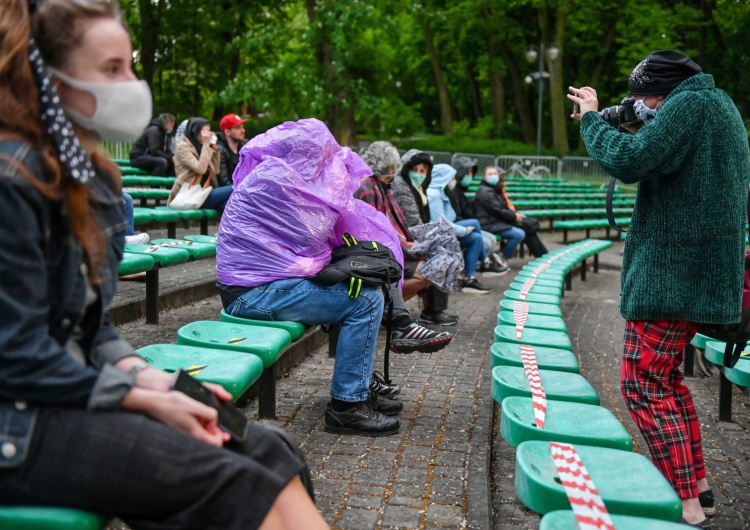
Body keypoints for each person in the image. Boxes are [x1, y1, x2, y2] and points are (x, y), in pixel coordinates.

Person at [0, 1, 329, 529]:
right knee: (236, 482)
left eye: (129, 65)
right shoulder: (12, 177)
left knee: (268, 448)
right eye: (111, 70)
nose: (131, 84)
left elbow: (91, 330)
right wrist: (139, 398)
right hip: (18, 422)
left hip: (61, 394)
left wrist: (150, 379)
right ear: (48, 78)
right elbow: (14, 355)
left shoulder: (92, 180)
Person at [568, 49, 750, 529]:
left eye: (643, 96)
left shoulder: (689, 106)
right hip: (694, 273)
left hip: (676, 275)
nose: (639, 106)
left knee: (642, 384)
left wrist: (590, 120)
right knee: (665, 381)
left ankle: (686, 505)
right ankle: (698, 488)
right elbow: (660, 153)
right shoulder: (716, 104)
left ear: (665, 91)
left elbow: (629, 160)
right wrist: (617, 116)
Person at [218, 118, 409, 436]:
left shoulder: (280, 175)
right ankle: (347, 407)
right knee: (364, 299)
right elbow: (314, 240)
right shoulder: (282, 183)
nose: (326, 162)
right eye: (322, 155)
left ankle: (357, 386)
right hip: (251, 294)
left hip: (258, 285)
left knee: (359, 283)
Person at [354, 142, 455, 349]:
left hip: (393, 247)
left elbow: (392, 225)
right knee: (433, 267)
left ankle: (394, 313)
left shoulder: (383, 185)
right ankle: (391, 314)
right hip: (381, 252)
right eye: (393, 166)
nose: (395, 170)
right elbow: (375, 230)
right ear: (387, 166)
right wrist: (409, 245)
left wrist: (411, 243)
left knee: (441, 262)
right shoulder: (368, 187)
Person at [391, 149, 459, 325]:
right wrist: (432, 239)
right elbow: (412, 221)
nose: (419, 174)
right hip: (404, 240)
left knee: (447, 247)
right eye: (415, 169)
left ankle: (435, 309)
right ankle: (432, 311)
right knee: (441, 253)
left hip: (413, 237)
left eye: (423, 171)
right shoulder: (401, 186)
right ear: (406, 168)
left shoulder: (419, 187)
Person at [428, 164, 502, 293]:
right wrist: (463, 231)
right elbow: (441, 223)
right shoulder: (434, 195)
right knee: (475, 236)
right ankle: (478, 269)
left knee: (476, 235)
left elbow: (450, 217)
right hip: (439, 234)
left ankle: (473, 274)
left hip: (446, 230)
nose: (454, 181)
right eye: (452, 178)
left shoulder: (442, 191)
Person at [474, 166, 548, 260]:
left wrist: (515, 215)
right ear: (484, 176)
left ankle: (543, 256)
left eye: (495, 174)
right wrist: (514, 216)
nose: (493, 176)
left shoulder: (495, 189)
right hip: (490, 223)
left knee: (527, 228)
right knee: (519, 233)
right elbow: (497, 211)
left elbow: (503, 207)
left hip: (498, 220)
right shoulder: (485, 191)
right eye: (490, 174)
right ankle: (502, 256)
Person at [450, 156, 503, 271]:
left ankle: (479, 265)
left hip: (467, 225)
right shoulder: (453, 191)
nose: (469, 175)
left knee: (492, 239)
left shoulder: (462, 192)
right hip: (458, 226)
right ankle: (476, 267)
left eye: (471, 173)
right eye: (467, 172)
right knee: (485, 242)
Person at [170, 117, 233, 212]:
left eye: (208, 131)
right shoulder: (182, 147)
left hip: (204, 192)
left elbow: (215, 171)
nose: (207, 135)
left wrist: (213, 148)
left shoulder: (203, 147)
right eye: (204, 131)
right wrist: (206, 145)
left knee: (231, 205)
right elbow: (201, 169)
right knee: (236, 187)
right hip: (191, 195)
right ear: (194, 131)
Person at [216, 113, 248, 187]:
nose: (243, 130)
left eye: (243, 127)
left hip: (243, 187)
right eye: (238, 128)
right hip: (227, 190)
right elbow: (223, 181)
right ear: (227, 132)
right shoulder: (220, 150)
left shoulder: (246, 145)